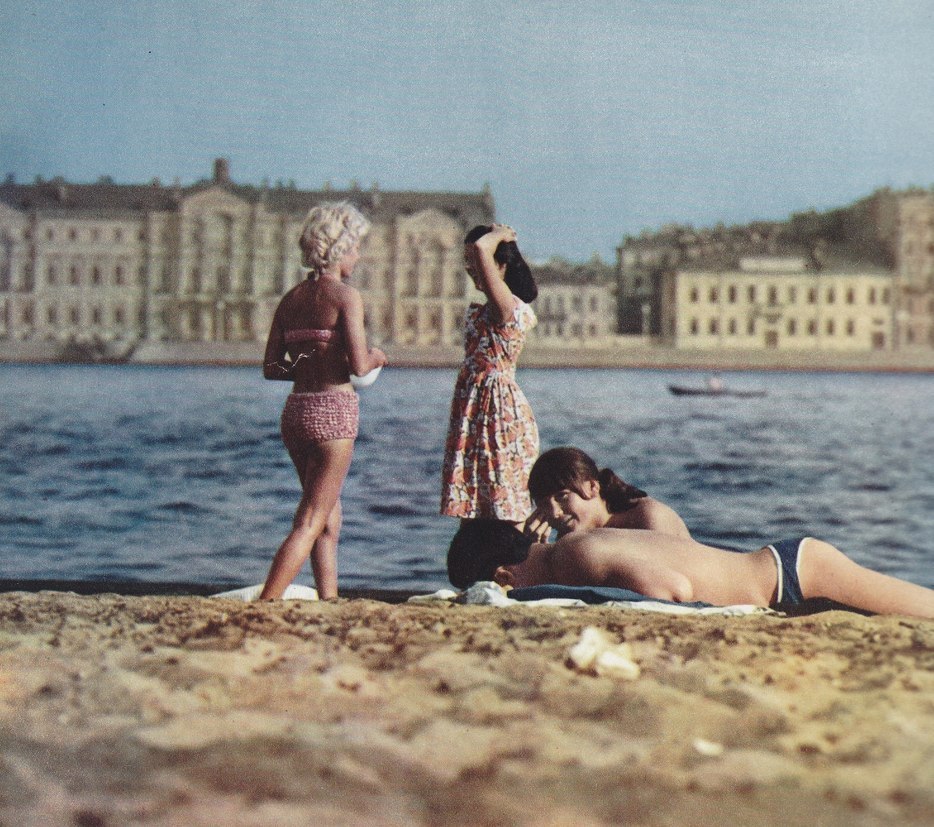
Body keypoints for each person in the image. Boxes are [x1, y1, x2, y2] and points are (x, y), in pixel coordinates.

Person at [259, 202, 387, 600]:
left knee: (327, 516)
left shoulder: (291, 300)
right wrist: (380, 356)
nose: (358, 256)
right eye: (355, 248)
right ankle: (268, 601)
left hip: (296, 412)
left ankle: (328, 598)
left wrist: (306, 357)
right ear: (339, 249)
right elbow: (360, 365)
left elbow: (271, 368)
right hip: (334, 412)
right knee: (312, 518)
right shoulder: (346, 297)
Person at [446, 521, 934, 619]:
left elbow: (672, 589)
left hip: (793, 575)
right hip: (787, 573)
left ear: (503, 575)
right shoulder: (574, 544)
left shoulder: (571, 559)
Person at [440, 223, 540, 531]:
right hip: (476, 408)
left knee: (503, 493)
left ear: (502, 265)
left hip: (498, 412)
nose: (472, 269)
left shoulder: (507, 307)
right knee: (475, 497)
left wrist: (501, 235)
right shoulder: (487, 309)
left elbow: (484, 249)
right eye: (467, 262)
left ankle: (518, 564)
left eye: (477, 261)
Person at [527, 447, 691, 539]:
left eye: (562, 496)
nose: (555, 513)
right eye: (543, 504)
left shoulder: (648, 519)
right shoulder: (569, 536)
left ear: (592, 487)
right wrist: (534, 553)